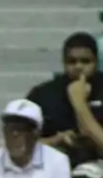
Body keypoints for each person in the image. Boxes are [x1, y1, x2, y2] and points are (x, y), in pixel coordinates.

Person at [29, 32, 103, 168]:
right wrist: (56, 140)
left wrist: (79, 104)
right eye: (72, 61)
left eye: (86, 61)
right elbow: (22, 145)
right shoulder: (43, 94)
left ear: (96, 62)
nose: (78, 67)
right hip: (54, 165)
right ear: (64, 63)